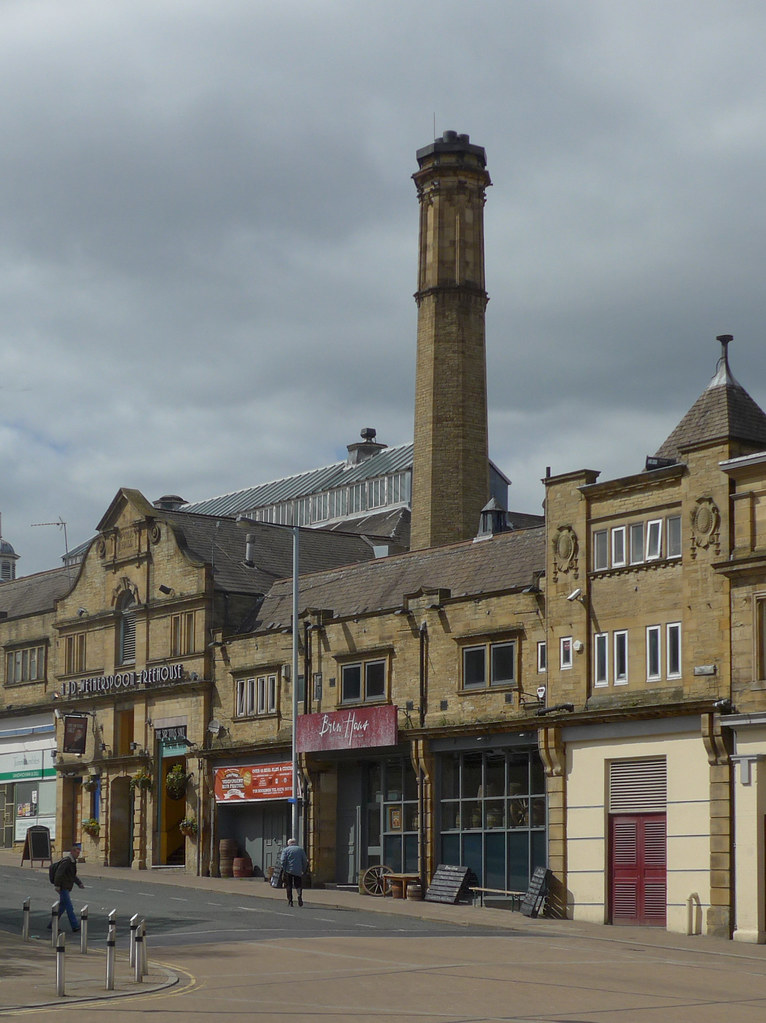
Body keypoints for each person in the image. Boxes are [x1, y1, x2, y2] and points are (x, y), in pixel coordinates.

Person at [49, 843, 85, 932]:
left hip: (66, 886)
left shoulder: (72, 861)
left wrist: (79, 883)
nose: (78, 855)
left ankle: (52, 924)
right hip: (63, 886)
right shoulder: (67, 861)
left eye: (79, 853)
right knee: (69, 907)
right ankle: (75, 926)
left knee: (62, 907)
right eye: (77, 853)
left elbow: (72, 875)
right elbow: (59, 873)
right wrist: (57, 885)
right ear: (72, 852)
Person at [280, 838, 308, 907]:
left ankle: (290, 901)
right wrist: (303, 869)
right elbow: (305, 860)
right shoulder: (300, 850)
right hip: (298, 870)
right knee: (298, 884)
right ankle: (299, 895)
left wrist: (284, 868)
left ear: (288, 843)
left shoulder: (286, 850)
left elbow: (282, 860)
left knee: (289, 885)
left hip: (288, 870)